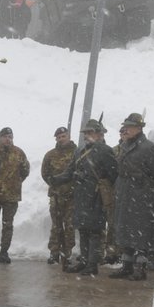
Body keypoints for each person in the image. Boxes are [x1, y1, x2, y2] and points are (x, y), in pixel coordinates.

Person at [55, 118, 118, 276]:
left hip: (96, 196)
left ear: (98, 134)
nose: (86, 136)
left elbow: (113, 174)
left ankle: (92, 264)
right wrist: (57, 179)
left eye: (89, 132)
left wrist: (94, 181)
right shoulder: (80, 151)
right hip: (81, 195)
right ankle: (83, 260)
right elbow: (70, 171)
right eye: (86, 133)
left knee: (95, 231)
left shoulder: (105, 151)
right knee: (83, 230)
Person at [108, 113, 154, 280]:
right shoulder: (124, 145)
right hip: (125, 194)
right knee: (125, 231)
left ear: (139, 128)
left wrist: (142, 181)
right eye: (126, 126)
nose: (127, 129)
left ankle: (140, 268)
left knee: (141, 234)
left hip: (141, 196)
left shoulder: (149, 147)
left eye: (130, 126)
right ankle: (126, 266)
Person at [0, 127, 29, 265]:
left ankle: (4, 252)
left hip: (11, 196)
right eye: (5, 137)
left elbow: (25, 170)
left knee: (7, 225)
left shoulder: (18, 153)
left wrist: (15, 182)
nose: (8, 139)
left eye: (10, 137)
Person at [40, 126, 77, 269]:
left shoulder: (77, 152)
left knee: (69, 226)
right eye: (59, 137)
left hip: (72, 196)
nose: (62, 139)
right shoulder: (50, 155)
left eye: (64, 136)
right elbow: (45, 173)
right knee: (56, 225)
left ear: (68, 136)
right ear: (56, 138)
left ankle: (67, 253)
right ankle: (54, 252)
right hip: (56, 196)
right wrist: (54, 184)